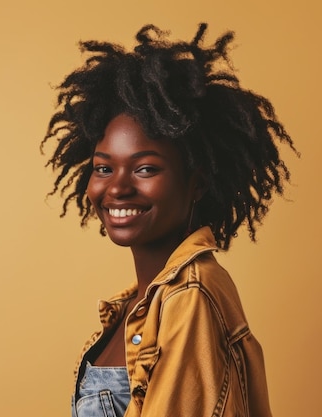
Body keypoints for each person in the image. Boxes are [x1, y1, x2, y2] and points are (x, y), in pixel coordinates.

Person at [41, 22, 296, 417]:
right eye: (104, 168)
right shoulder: (133, 306)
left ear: (196, 183)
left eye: (145, 169)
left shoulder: (189, 296)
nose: (118, 188)